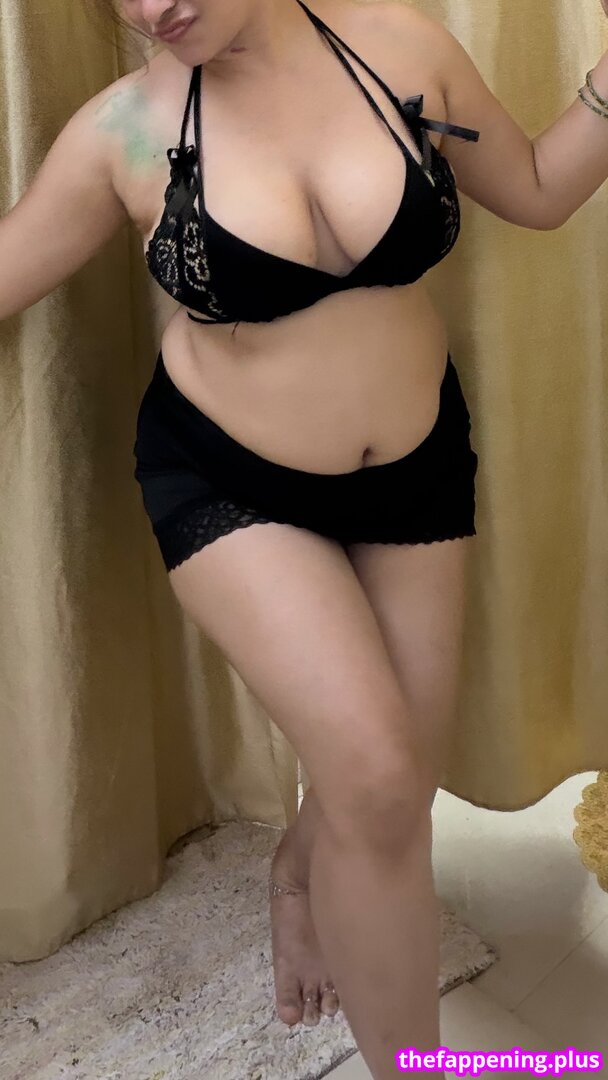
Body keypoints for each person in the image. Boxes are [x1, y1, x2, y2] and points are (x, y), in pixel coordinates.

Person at [2, 1, 608, 1076]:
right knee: (376, 778)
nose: (151, 6)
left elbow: (538, 190)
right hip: (228, 482)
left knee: (393, 787)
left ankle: (296, 873)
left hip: (417, 466)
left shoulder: (402, 46)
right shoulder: (124, 132)